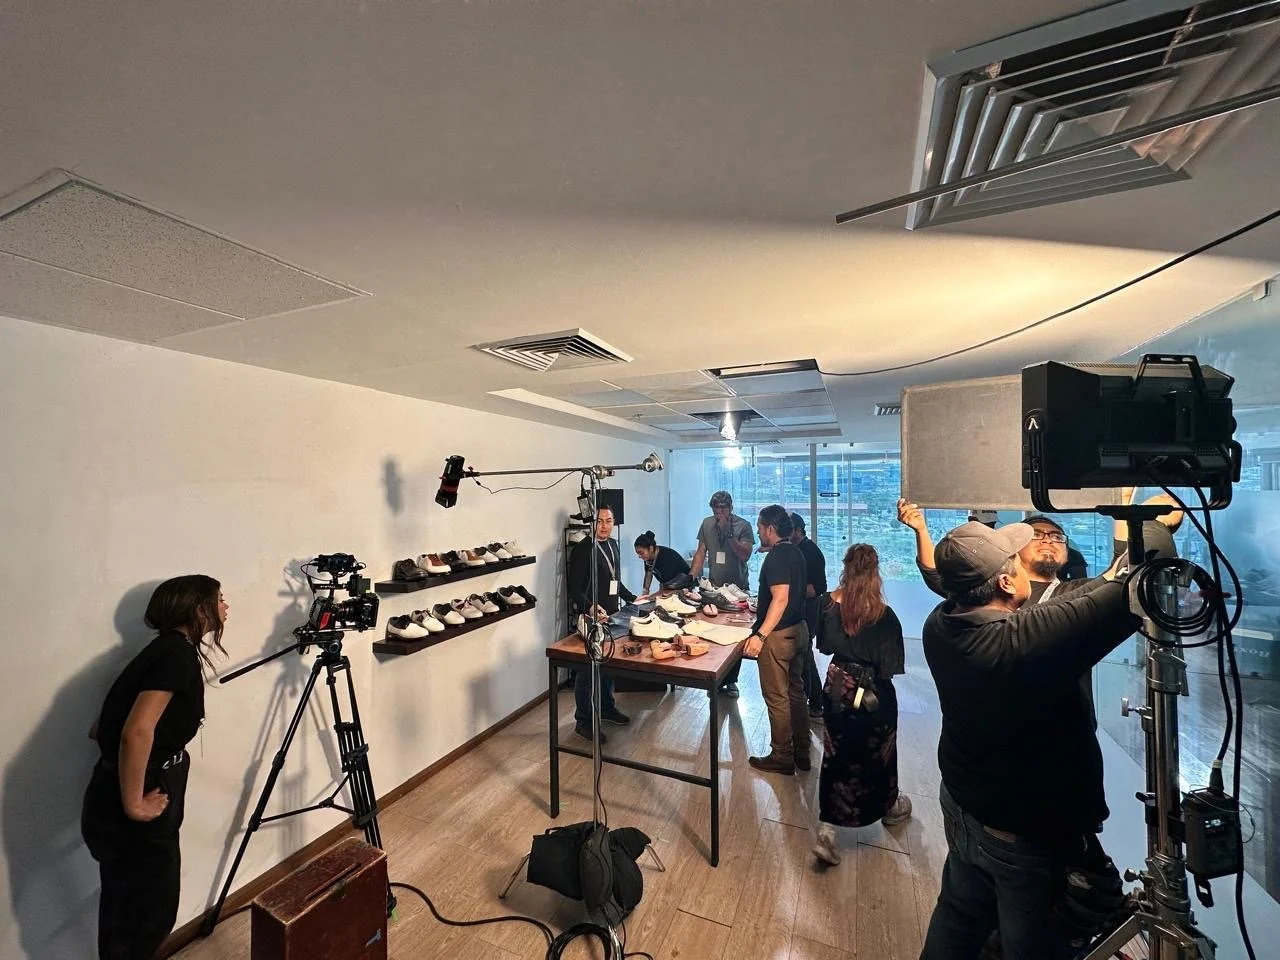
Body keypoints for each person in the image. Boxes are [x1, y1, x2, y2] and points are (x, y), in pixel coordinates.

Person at [912, 519, 1136, 958]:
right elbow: (1135, 589)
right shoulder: (1022, 643)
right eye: (1015, 559)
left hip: (963, 805)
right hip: (1019, 833)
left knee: (958, 915)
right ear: (1004, 579)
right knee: (1031, 945)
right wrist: (1152, 525)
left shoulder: (940, 623)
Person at [81, 575, 228, 960]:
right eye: (219, 599)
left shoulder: (161, 650)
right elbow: (137, 732)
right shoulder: (175, 655)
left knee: (125, 910)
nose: (226, 606)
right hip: (134, 805)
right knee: (146, 916)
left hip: (121, 792)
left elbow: (101, 729)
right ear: (198, 609)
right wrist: (134, 804)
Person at [812, 544, 910, 866]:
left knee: (834, 755)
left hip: (837, 689)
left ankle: (827, 830)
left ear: (845, 567)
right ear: (875, 571)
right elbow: (889, 667)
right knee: (880, 754)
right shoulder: (886, 616)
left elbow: (824, 646)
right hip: (873, 697)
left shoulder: (828, 605)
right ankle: (889, 807)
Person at [742, 505, 810, 775]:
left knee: (777, 697)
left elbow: (780, 599)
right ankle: (802, 752)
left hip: (779, 636)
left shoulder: (777, 558)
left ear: (770, 528)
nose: (758, 533)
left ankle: (782, 756)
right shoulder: (796, 552)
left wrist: (760, 635)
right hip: (799, 630)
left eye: (760, 528)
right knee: (796, 692)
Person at [567, 505, 633, 742]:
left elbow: (616, 581)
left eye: (609, 521)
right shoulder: (584, 549)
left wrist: (633, 598)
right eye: (600, 521)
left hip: (612, 615)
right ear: (591, 523)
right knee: (587, 672)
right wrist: (590, 606)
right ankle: (583, 722)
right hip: (592, 619)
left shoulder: (613, 545)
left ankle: (606, 708)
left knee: (607, 666)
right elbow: (574, 588)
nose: (604, 526)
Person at [689, 490, 754, 698]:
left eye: (723, 509)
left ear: (730, 508)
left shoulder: (743, 526)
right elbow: (701, 552)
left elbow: (745, 555)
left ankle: (731, 680)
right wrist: (691, 577)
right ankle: (714, 678)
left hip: (738, 590)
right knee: (713, 632)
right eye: (716, 510)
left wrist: (728, 533)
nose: (719, 514)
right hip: (714, 587)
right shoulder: (707, 524)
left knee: (735, 637)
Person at [788, 512, 827, 719]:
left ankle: (815, 703)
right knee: (804, 656)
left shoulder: (810, 552)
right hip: (802, 608)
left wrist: (789, 591)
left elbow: (818, 587)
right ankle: (813, 702)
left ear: (797, 530)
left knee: (805, 656)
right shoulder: (797, 549)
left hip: (810, 610)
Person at [633, 530, 692, 595]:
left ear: (651, 548)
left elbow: (666, 589)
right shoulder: (648, 557)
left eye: (641, 553)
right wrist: (645, 592)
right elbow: (648, 573)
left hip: (686, 587)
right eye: (638, 553)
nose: (639, 556)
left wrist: (650, 598)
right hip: (671, 586)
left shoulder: (666, 557)